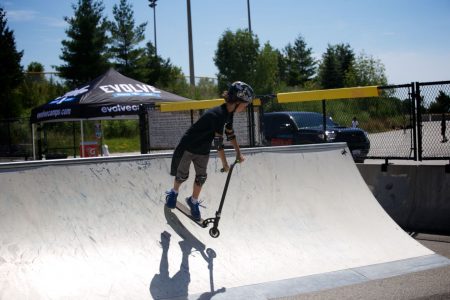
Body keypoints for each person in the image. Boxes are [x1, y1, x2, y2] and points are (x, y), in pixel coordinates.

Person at [165, 81, 254, 220]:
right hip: (188, 146)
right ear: (237, 101)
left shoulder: (229, 114)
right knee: (182, 175)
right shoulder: (218, 114)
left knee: (201, 177)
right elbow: (218, 143)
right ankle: (174, 192)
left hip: (203, 150)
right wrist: (224, 163)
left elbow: (230, 133)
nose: (245, 106)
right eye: (245, 104)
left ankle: (193, 201)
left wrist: (238, 152)